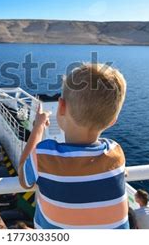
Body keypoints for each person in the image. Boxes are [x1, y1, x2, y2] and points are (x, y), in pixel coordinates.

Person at [18, 63, 128, 229]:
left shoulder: (44, 155)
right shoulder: (116, 154)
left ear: (61, 106)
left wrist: (38, 127)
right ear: (112, 122)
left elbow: (23, 178)